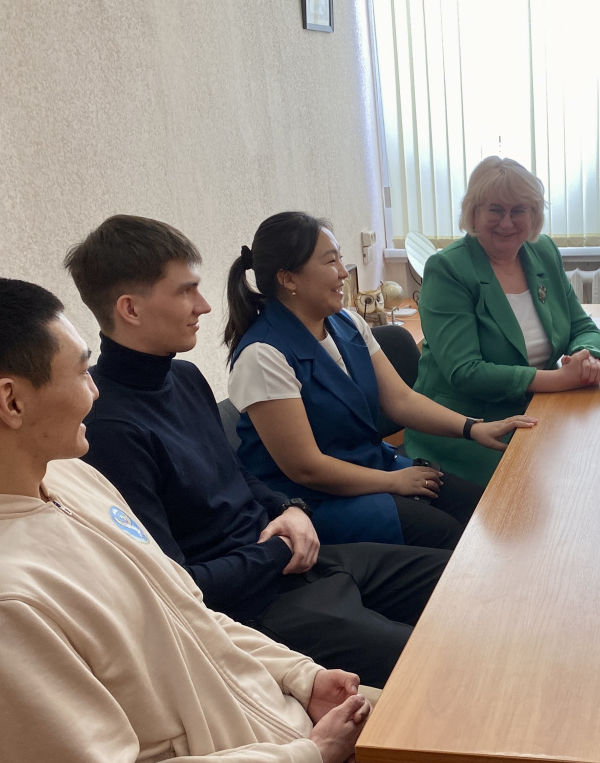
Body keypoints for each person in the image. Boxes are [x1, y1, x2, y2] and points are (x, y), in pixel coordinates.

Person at [0, 278, 556, 763]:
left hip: (280, 734)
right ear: (11, 402)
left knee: (496, 752)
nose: (95, 390)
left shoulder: (71, 479)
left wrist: (303, 677)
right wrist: (306, 761)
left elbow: (190, 610)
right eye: (80, 372)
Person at [64, 215, 448, 687]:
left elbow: (238, 475)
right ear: (130, 309)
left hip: (301, 563)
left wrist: (289, 508)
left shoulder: (184, 377)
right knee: (438, 663)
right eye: (185, 291)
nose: (204, 305)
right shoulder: (109, 429)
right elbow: (176, 585)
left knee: (462, 584)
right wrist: (278, 549)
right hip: (255, 608)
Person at [225, 212, 536, 548]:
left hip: (374, 469)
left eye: (340, 258)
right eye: (330, 261)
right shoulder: (263, 355)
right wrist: (393, 482)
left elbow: (401, 400)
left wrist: (473, 428)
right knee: (449, 534)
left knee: (483, 508)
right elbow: (306, 468)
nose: (343, 272)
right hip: (313, 502)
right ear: (288, 279)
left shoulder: (347, 322)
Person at [406, 157, 600, 486]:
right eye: (495, 210)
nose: (507, 222)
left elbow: (582, 327)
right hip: (470, 430)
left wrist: (585, 359)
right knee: (554, 489)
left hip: (539, 412)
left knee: (595, 469)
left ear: (534, 215)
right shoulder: (449, 269)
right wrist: (560, 380)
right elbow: (466, 372)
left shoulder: (542, 251)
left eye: (518, 211)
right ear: (474, 212)